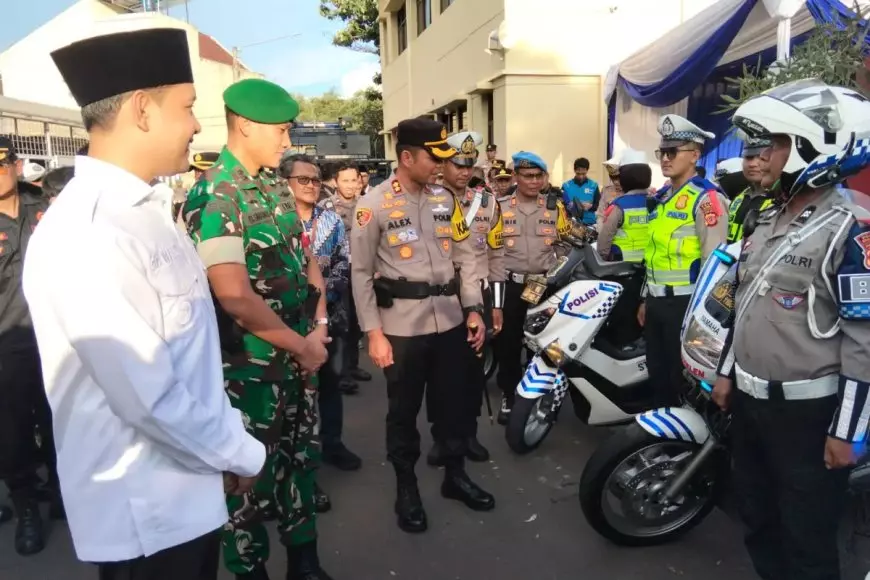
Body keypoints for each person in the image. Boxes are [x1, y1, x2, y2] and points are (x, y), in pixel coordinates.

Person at [23, 28, 266, 578]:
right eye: (187, 107)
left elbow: (191, 359)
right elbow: (147, 395)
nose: (197, 124)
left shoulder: (146, 210)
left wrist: (222, 451)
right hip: (148, 519)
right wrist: (239, 453)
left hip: (186, 493)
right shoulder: (88, 230)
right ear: (141, 110)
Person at [713, 79, 870, 580]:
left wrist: (847, 433)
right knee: (759, 519)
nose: (754, 159)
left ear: (816, 146)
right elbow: (743, 302)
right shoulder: (766, 216)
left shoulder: (852, 229)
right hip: (753, 404)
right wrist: (725, 374)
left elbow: (865, 343)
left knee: (807, 537)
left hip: (809, 416)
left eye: (772, 145)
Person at [183, 78, 332, 580]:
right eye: (281, 131)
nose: (287, 142)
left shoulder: (272, 186)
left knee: (300, 460)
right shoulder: (216, 196)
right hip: (247, 372)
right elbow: (234, 296)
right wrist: (303, 346)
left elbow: (306, 256)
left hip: (296, 355)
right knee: (244, 478)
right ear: (245, 124)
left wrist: (320, 324)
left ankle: (305, 561)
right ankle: (252, 570)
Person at [351, 118, 493, 534]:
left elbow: (466, 257)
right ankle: (407, 487)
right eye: (436, 157)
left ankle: (455, 476)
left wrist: (473, 309)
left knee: (451, 406)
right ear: (407, 156)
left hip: (449, 320)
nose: (441, 166)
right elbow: (360, 274)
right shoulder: (371, 205)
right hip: (401, 328)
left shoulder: (445, 200)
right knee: (403, 412)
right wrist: (373, 333)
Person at [278, 154, 362, 475]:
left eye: (315, 180)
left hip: (331, 316)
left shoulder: (331, 220)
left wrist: (325, 294)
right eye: (304, 180)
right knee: (294, 394)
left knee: (330, 383)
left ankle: (333, 444)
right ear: (285, 183)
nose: (312, 186)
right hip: (289, 321)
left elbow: (343, 259)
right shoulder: (275, 222)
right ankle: (294, 460)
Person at [638, 114, 730, 406]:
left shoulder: (707, 200)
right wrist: (645, 298)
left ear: (695, 155)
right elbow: (653, 254)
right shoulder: (663, 197)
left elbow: (715, 265)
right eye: (662, 152)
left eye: (673, 152)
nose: (665, 159)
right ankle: (661, 441)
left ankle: (685, 446)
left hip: (686, 306)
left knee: (682, 383)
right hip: (656, 303)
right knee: (658, 376)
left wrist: (701, 317)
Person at [427, 131, 505, 466]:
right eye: (457, 163)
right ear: (443, 163)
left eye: (469, 164)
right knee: (439, 371)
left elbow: (497, 255)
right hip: (439, 297)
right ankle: (442, 437)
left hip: (479, 294)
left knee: (474, 368)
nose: (463, 171)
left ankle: (469, 433)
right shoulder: (427, 201)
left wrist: (498, 305)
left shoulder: (487, 202)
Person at [0, 137, 61, 556]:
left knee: (62, 419)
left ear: (15, 163)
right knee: (15, 432)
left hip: (58, 336)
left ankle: (63, 492)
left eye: (1, 162)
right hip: (10, 343)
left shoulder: (45, 205)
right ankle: (25, 506)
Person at [494, 151, 571, 424]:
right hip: (511, 285)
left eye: (539, 176)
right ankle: (508, 393)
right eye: (528, 175)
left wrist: (557, 273)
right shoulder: (500, 207)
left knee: (544, 343)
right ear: (516, 176)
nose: (534, 181)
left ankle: (538, 393)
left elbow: (565, 245)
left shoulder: (554, 208)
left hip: (543, 285)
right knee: (509, 342)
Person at [329, 162, 372, 393]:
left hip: (362, 271)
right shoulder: (327, 207)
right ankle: (342, 374)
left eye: (353, 180)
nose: (350, 185)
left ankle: (353, 366)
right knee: (342, 323)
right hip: (338, 273)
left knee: (358, 322)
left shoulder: (367, 205)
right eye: (344, 180)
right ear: (335, 182)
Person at [596, 149, 650, 263]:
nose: (616, 182)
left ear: (625, 178)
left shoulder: (620, 205)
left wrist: (602, 260)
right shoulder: (656, 202)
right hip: (649, 262)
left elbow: (605, 237)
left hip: (621, 263)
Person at [725, 138, 776, 243]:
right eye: (749, 157)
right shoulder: (740, 196)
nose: (752, 164)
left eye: (762, 158)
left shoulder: (782, 199)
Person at [561, 157, 600, 225]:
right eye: (578, 173)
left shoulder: (594, 185)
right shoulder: (566, 186)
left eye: (583, 174)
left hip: (589, 223)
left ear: (587, 170)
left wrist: (590, 207)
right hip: (570, 224)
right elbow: (561, 205)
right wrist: (570, 207)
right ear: (574, 170)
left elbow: (599, 206)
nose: (581, 176)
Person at [595, 157, 622, 227]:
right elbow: (600, 214)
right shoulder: (607, 190)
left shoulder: (632, 190)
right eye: (613, 178)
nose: (616, 182)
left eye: (618, 177)